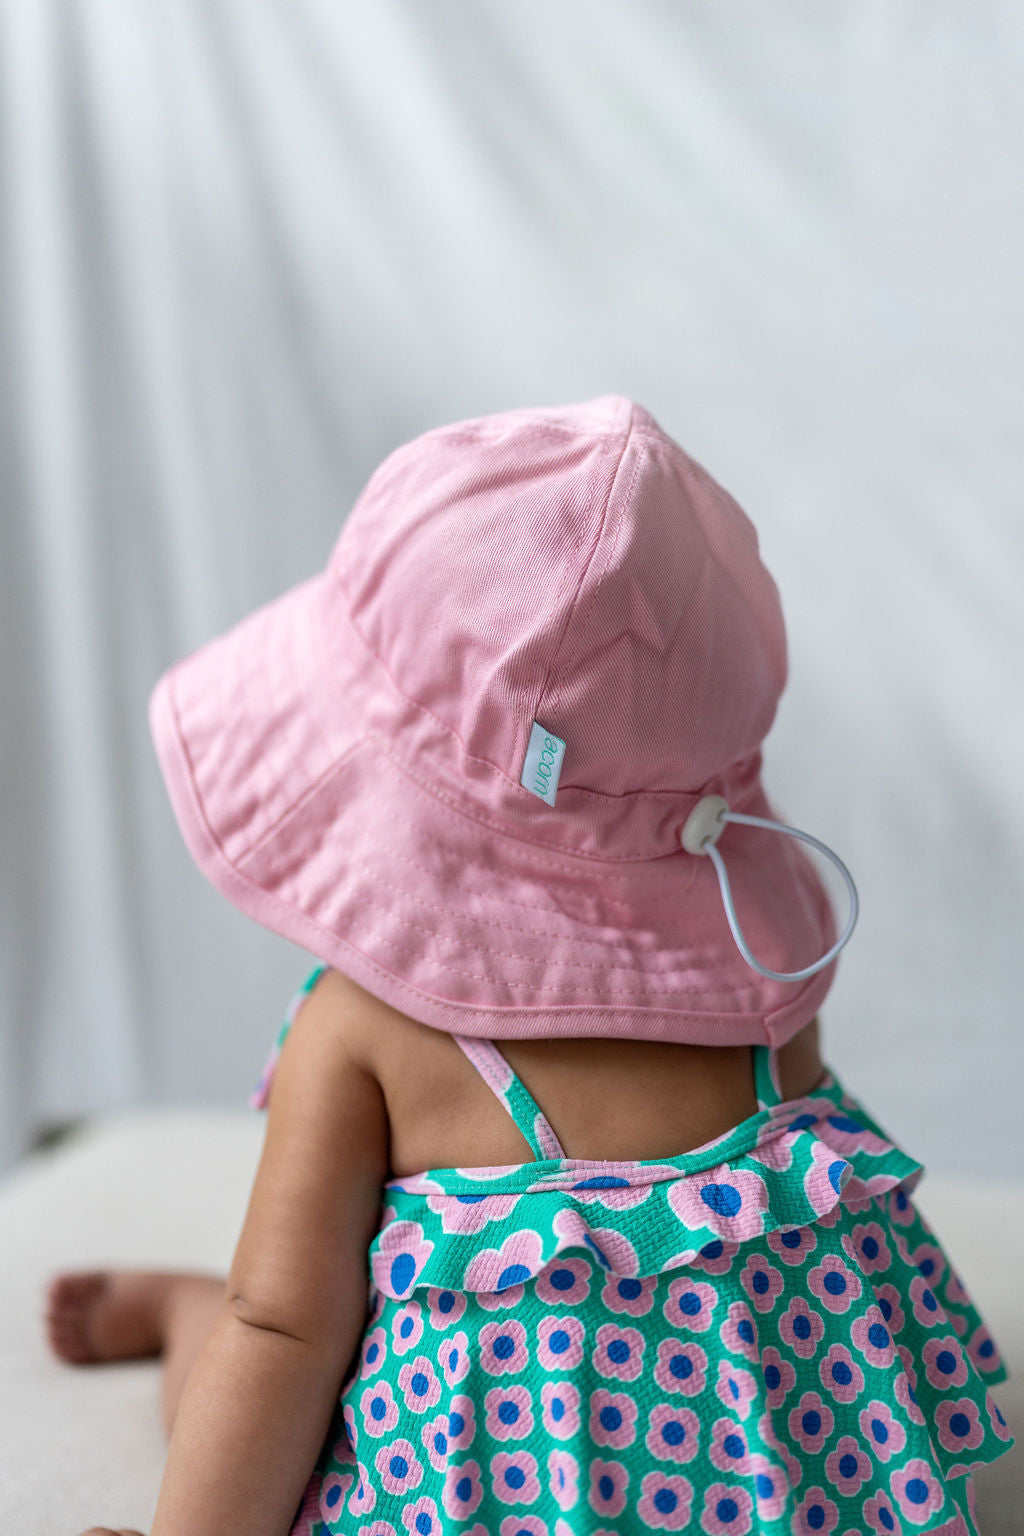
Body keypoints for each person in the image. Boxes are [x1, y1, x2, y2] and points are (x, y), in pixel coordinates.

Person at [45, 397, 1013, 1536]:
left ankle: (181, 1315)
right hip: (778, 1495)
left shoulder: (359, 1028)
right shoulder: (761, 987)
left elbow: (286, 1329)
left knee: (250, 1359)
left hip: (484, 1501)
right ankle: (175, 1306)